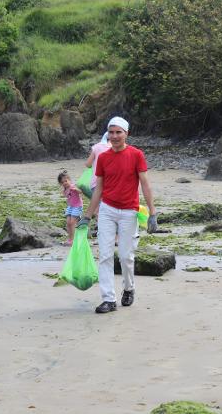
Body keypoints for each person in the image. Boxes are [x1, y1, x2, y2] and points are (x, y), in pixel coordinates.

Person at [77, 117, 157, 314]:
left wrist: (152, 213)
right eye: (111, 132)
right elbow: (98, 189)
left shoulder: (136, 155)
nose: (114, 136)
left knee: (125, 256)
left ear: (126, 134)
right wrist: (87, 216)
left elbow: (145, 185)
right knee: (104, 255)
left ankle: (129, 288)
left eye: (118, 132)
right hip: (107, 210)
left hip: (129, 212)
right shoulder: (103, 158)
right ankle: (108, 299)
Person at [58, 171, 83, 246]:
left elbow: (81, 192)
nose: (65, 183)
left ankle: (73, 240)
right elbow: (68, 197)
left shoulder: (73, 186)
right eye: (62, 182)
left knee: (72, 223)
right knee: (68, 223)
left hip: (77, 206)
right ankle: (70, 239)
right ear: (61, 184)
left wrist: (76, 190)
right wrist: (64, 192)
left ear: (69, 180)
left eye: (66, 181)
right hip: (70, 207)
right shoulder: (65, 190)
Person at [85, 132, 111, 196]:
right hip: (110, 182)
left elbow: (88, 164)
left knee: (98, 204)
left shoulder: (96, 147)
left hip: (96, 182)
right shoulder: (116, 148)